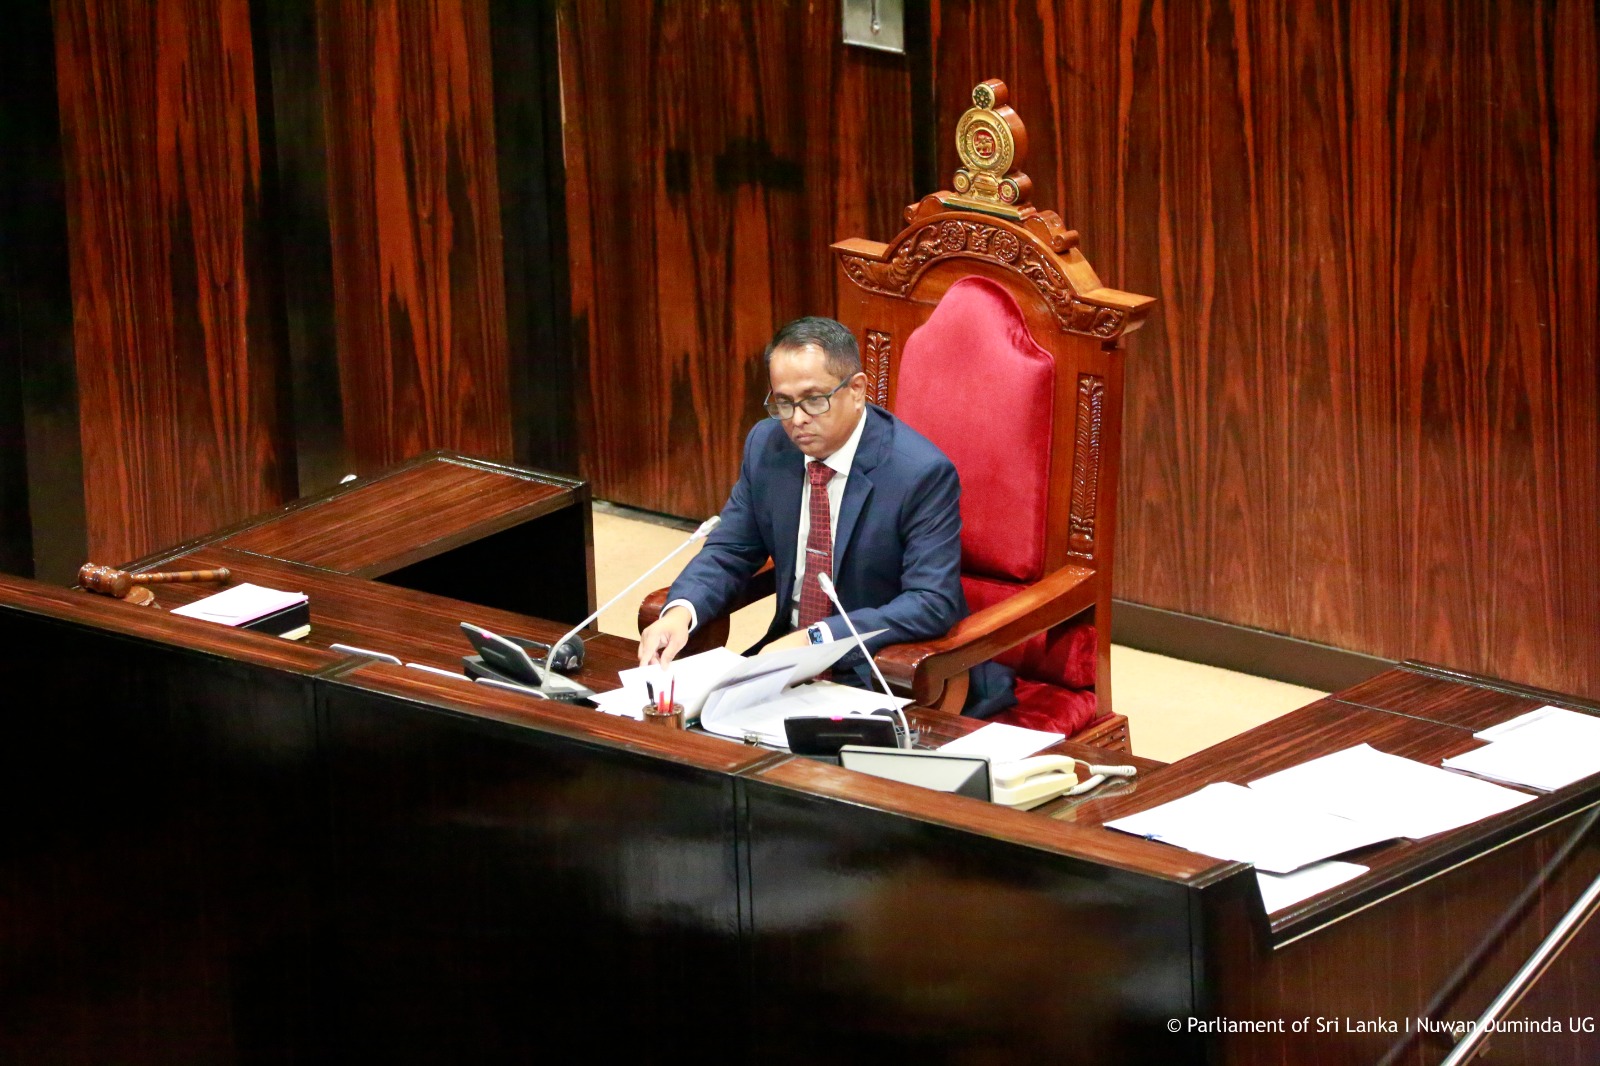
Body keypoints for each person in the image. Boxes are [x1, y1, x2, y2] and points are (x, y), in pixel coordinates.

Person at [638, 316, 1014, 715]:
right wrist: (681, 611)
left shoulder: (919, 473)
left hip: (881, 672)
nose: (797, 419)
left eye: (814, 399)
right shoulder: (767, 446)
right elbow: (731, 549)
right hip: (779, 666)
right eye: (783, 402)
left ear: (857, 390)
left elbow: (931, 602)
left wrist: (816, 639)